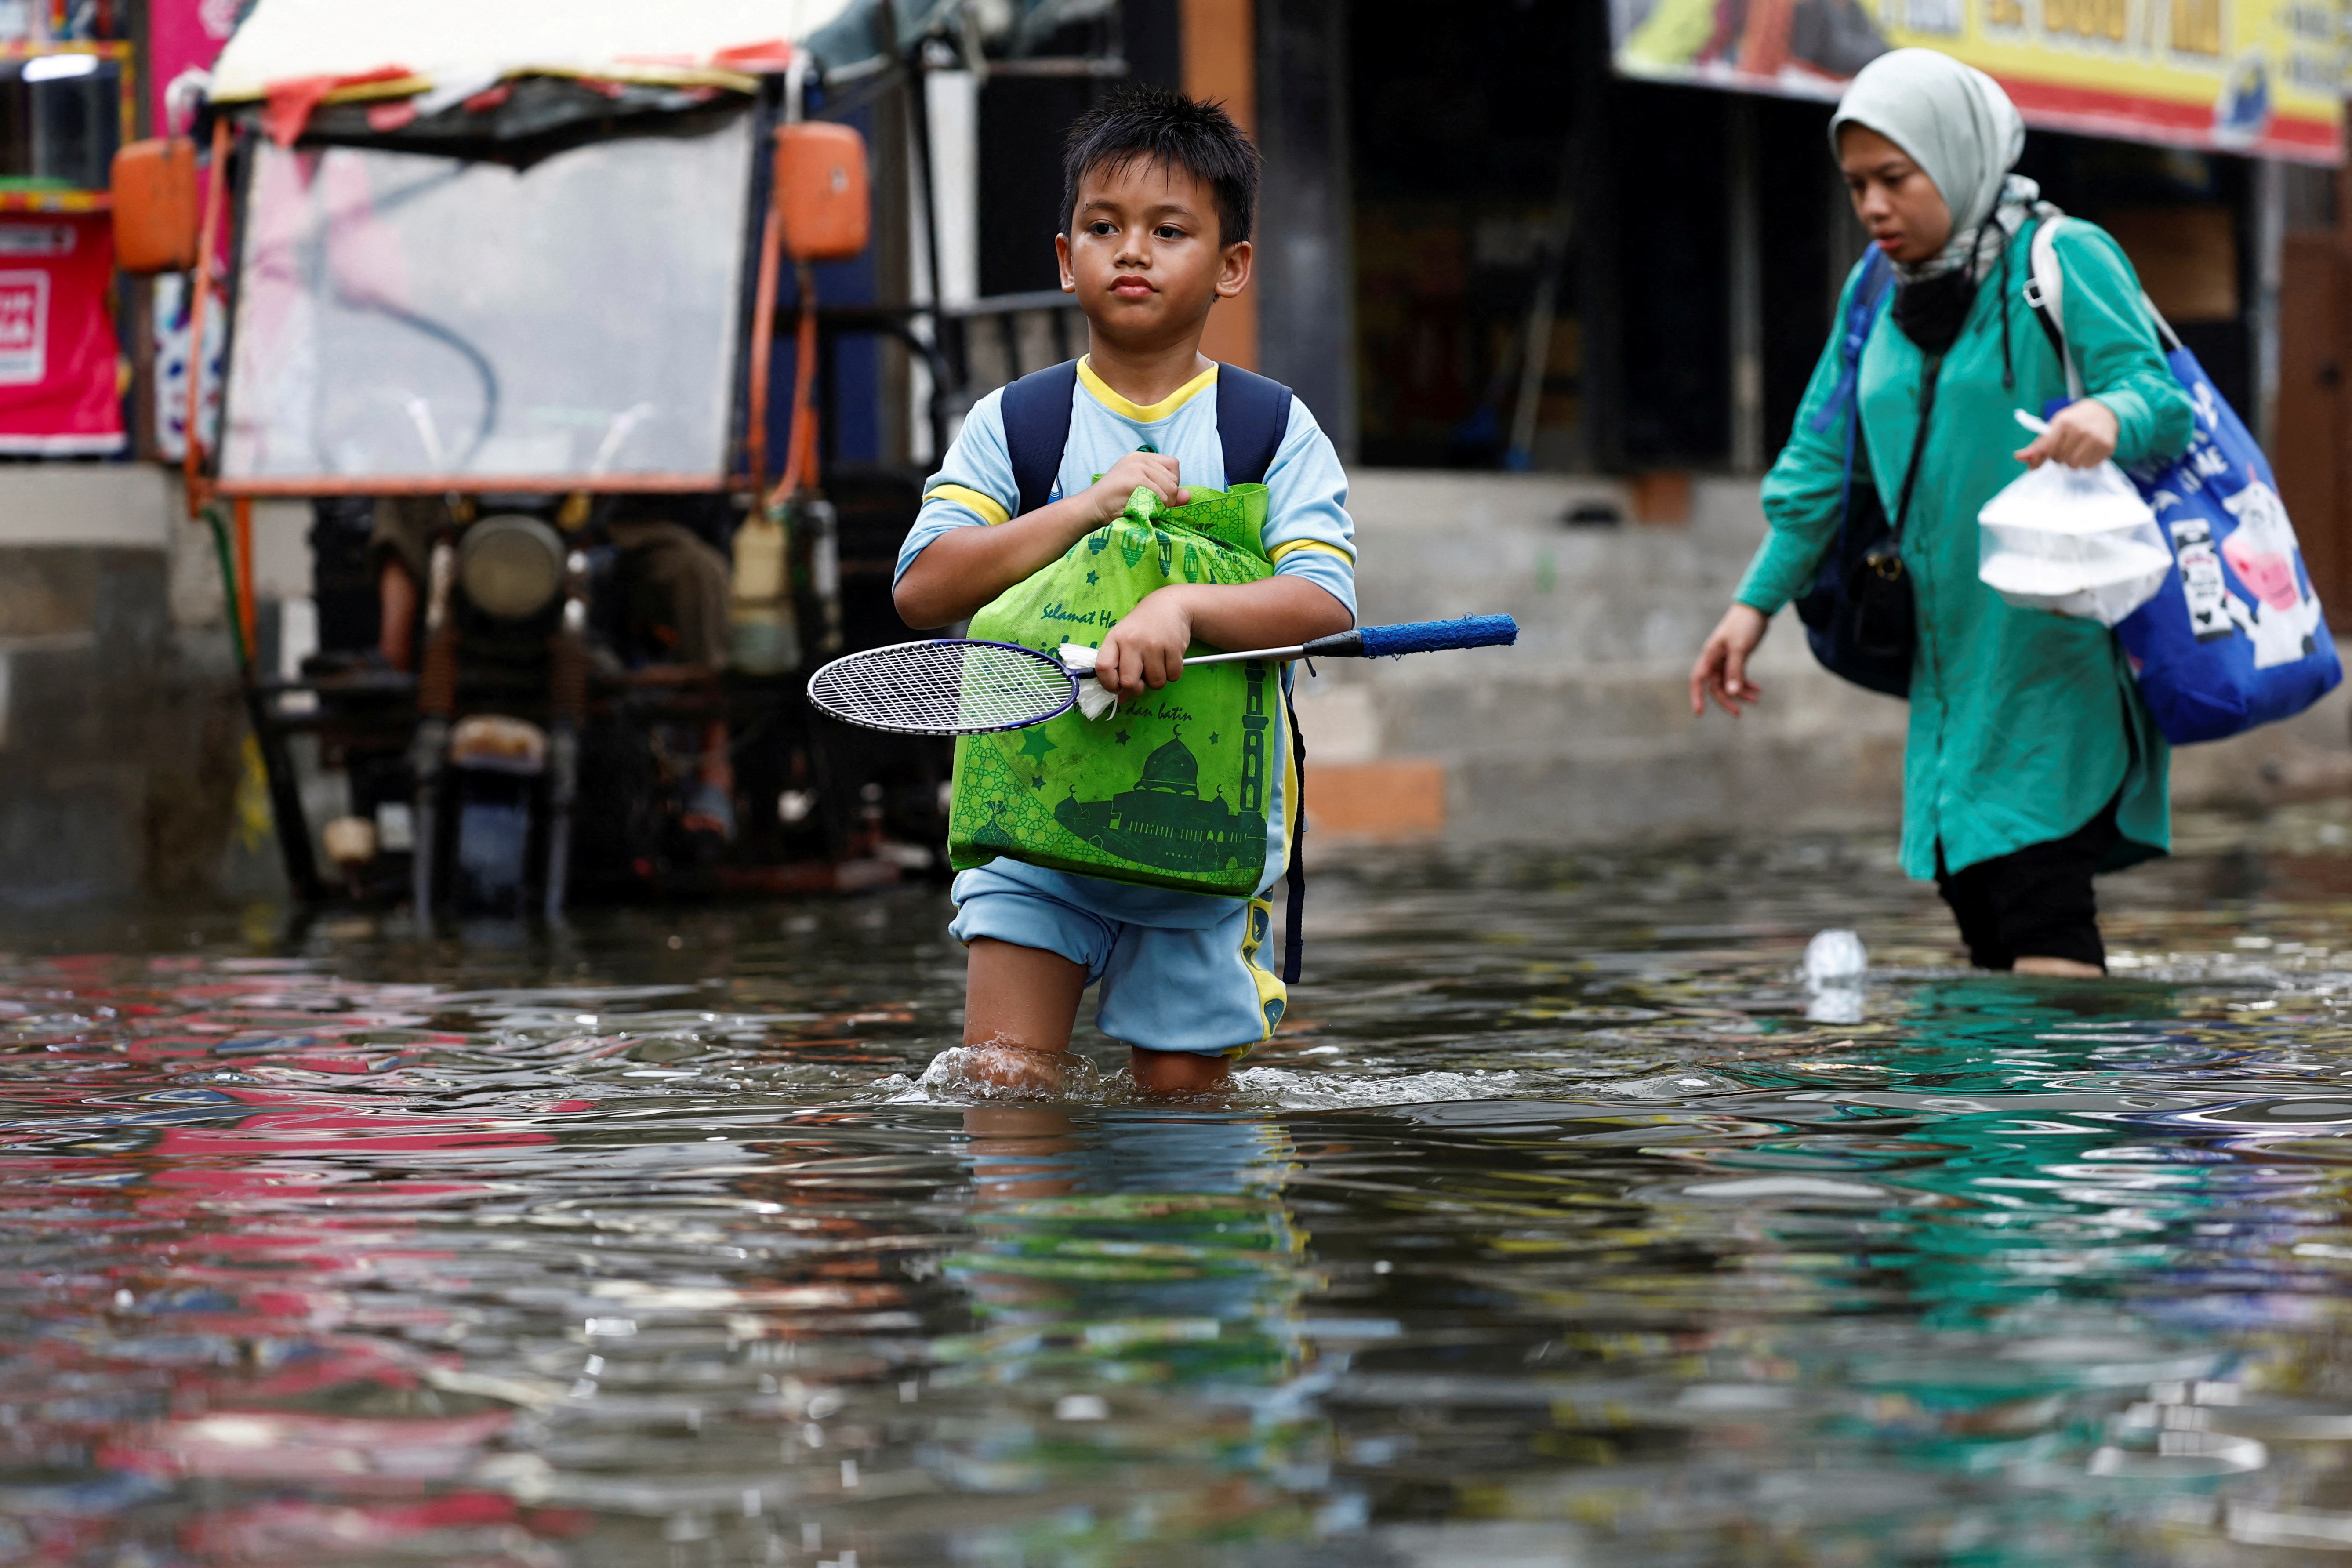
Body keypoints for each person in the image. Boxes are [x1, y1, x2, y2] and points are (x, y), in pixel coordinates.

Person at [1688, 50, 2192, 977]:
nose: (1875, 207)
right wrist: (1751, 607)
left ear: (1959, 158)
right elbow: (1816, 466)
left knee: (2039, 898)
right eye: (1856, 186)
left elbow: (2162, 401)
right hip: (1948, 659)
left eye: (1896, 179)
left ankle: (2059, 1113)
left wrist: (2104, 415)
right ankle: (1999, 1115)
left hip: (2056, 648)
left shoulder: (2062, 257)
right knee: (1981, 907)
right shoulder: (1875, 293)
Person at [893, 86, 1356, 1094]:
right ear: (1067, 260)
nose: (1132, 251)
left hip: (1201, 844)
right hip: (1030, 828)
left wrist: (1181, 608)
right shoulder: (1017, 424)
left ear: (1233, 266)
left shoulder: (1270, 431)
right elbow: (925, 590)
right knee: (1005, 1089)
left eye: (1169, 230)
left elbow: (1323, 600)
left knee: (1183, 1105)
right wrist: (1082, 509)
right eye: (1105, 228)